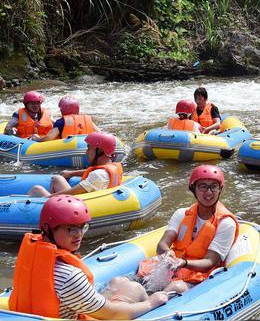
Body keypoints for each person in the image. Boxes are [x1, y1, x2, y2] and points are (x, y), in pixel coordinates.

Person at [8, 196, 167, 319]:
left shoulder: (31, 259)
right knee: (135, 288)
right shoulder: (68, 276)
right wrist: (150, 304)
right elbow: (111, 314)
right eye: (71, 229)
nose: (79, 234)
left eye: (82, 226)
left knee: (118, 282)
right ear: (48, 229)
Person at [143, 165, 239, 294]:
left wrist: (184, 263)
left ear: (220, 189)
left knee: (176, 287)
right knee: (121, 282)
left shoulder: (226, 223)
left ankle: (148, 305)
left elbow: (210, 262)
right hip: (173, 268)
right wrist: (168, 253)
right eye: (203, 186)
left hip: (198, 279)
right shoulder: (181, 214)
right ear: (193, 189)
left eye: (213, 186)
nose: (209, 192)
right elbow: (162, 244)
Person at [29, 132, 123, 197]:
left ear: (100, 150)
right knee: (57, 179)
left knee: (36, 189)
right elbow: (97, 171)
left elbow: (70, 193)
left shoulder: (98, 176)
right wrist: (72, 173)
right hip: (91, 201)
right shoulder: (113, 167)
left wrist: (44, 199)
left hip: (81, 208)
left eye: (89, 148)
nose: (86, 152)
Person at [30, 96, 100, 142]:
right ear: (77, 108)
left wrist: (37, 138)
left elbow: (49, 138)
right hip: (86, 146)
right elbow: (99, 133)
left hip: (68, 149)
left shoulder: (61, 122)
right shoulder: (87, 120)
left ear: (62, 110)